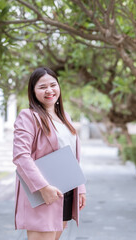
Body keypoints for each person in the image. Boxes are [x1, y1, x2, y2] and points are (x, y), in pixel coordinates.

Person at [13, 67, 86, 240]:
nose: (49, 90)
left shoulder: (65, 117)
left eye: (53, 85)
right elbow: (21, 156)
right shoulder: (28, 117)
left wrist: (80, 187)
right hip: (43, 192)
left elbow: (73, 156)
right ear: (33, 91)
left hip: (65, 192)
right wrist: (43, 188)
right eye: (42, 87)